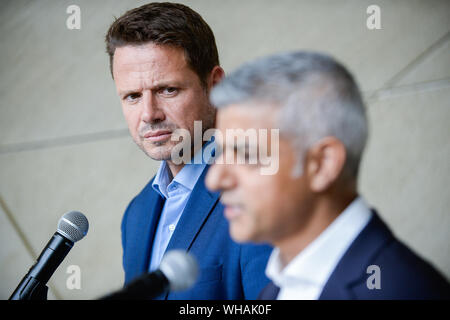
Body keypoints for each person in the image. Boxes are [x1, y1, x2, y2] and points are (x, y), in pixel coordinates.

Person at [205, 51, 450, 299]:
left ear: (323, 164)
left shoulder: (406, 292)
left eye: (246, 155)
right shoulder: (275, 289)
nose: (214, 180)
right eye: (221, 153)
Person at [105, 2, 271, 299]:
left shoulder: (264, 191)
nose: (149, 113)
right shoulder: (137, 214)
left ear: (215, 85)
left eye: (167, 90)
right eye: (132, 96)